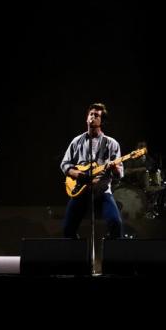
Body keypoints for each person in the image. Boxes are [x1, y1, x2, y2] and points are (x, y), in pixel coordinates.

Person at [60, 103, 124, 240]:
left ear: (102, 121)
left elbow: (119, 175)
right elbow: (64, 164)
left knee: (115, 223)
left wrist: (115, 169)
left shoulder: (112, 143)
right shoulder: (77, 141)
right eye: (91, 114)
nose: (93, 117)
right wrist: (78, 175)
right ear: (86, 118)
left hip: (102, 191)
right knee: (67, 229)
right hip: (80, 191)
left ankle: (112, 256)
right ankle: (78, 255)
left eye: (97, 115)